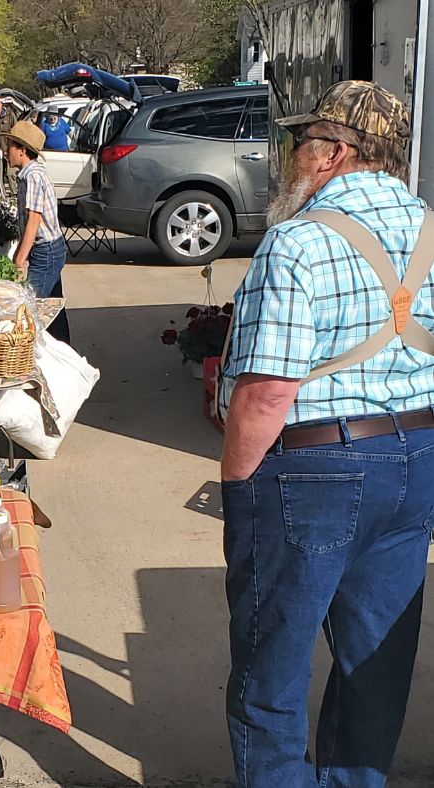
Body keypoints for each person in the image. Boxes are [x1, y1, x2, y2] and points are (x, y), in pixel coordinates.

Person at [220, 80, 434, 787]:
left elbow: (267, 393)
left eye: (299, 142)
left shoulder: (298, 241)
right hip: (417, 456)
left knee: (271, 665)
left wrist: (237, 489)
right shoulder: (432, 232)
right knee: (376, 662)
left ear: (335, 152)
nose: (291, 157)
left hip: (317, 469)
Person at [4, 120, 70, 344]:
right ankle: (63, 349)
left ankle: (35, 354)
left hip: (47, 250)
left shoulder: (33, 176)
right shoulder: (28, 174)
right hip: (50, 248)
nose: (6, 151)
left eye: (10, 146)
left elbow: (34, 220)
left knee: (31, 307)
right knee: (52, 305)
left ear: (22, 151)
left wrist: (19, 260)